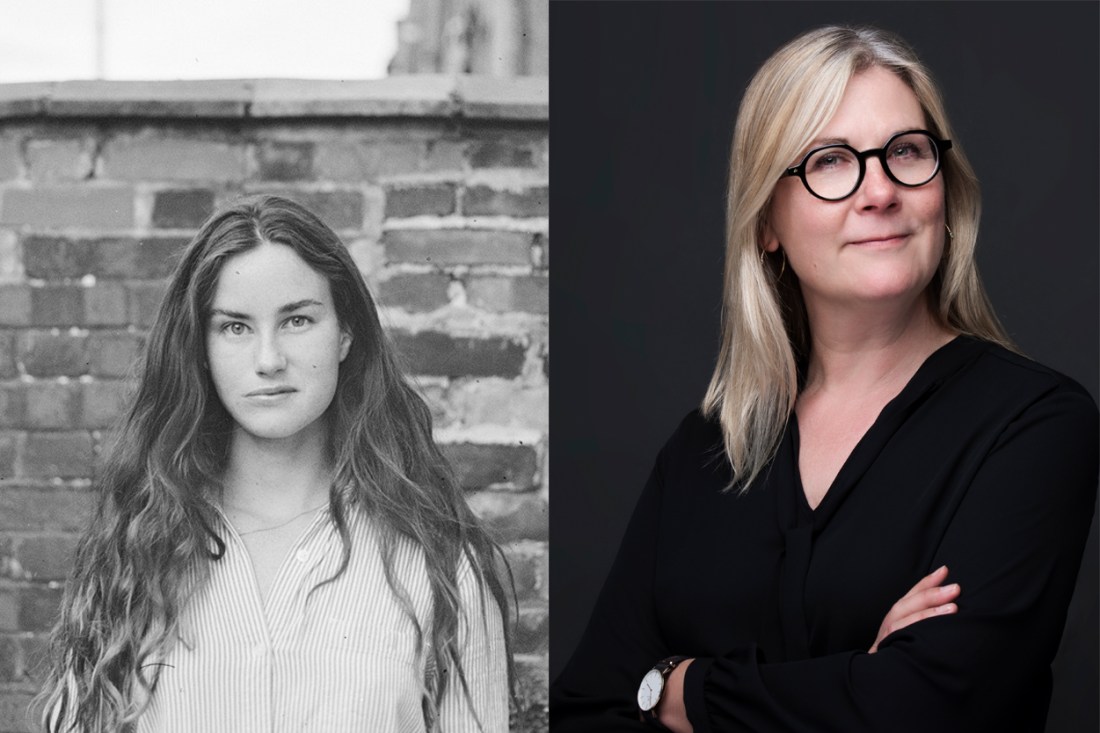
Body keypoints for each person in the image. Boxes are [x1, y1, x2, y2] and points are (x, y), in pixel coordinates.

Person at [550, 25, 1098, 733]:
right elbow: (587, 711)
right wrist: (855, 678)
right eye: (829, 160)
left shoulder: (1033, 426)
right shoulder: (705, 450)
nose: (879, 191)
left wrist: (683, 690)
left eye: (905, 152)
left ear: (944, 188)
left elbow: (922, 711)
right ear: (767, 220)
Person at [38, 195, 512, 732]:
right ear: (201, 347)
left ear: (345, 335)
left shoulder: (440, 566)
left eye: (297, 320)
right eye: (235, 327)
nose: (268, 360)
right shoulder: (134, 549)